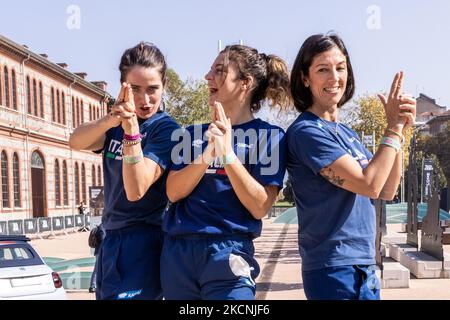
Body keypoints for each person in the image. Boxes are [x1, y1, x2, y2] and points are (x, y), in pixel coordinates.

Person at [286, 33, 416, 300]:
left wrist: (399, 129)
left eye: (340, 67)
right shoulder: (306, 132)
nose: (334, 78)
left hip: (363, 264)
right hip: (332, 268)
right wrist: (391, 128)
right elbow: (369, 184)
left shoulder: (347, 134)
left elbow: (387, 189)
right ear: (305, 78)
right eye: (323, 69)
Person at [161, 45, 290, 300]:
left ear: (245, 83)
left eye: (219, 70)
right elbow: (173, 193)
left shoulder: (270, 137)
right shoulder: (191, 135)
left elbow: (259, 206)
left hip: (229, 251)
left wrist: (228, 154)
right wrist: (210, 151)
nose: (207, 77)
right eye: (210, 70)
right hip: (179, 254)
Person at [69, 42, 180, 300]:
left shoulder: (166, 130)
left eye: (153, 89)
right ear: (123, 87)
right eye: (136, 90)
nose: (144, 99)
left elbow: (136, 189)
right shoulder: (114, 124)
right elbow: (76, 141)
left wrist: (131, 131)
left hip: (144, 242)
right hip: (110, 240)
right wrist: (112, 118)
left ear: (164, 86)